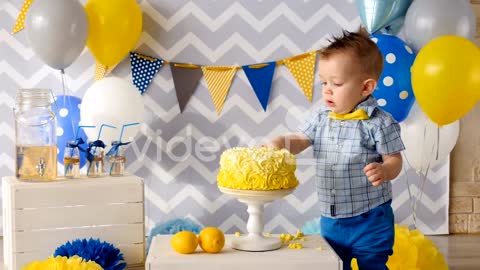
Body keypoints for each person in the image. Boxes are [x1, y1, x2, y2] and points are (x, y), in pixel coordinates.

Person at [267, 29, 405, 270]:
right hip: (332, 220)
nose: (327, 90)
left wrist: (385, 170)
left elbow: (395, 159)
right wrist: (282, 143)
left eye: (337, 83)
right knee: (333, 265)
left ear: (366, 88)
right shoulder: (321, 117)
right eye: (324, 83)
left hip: (370, 218)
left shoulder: (380, 122)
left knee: (372, 264)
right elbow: (301, 139)